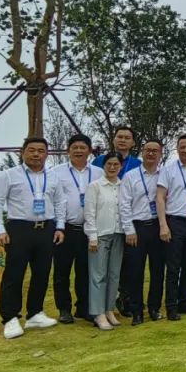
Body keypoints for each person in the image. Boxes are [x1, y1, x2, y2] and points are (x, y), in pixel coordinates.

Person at [0, 137, 65, 339]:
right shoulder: (8, 175)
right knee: (14, 274)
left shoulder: (53, 177)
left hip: (46, 228)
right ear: (22, 152)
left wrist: (60, 227)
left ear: (47, 154)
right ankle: (10, 318)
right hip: (19, 228)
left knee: (42, 272)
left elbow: (60, 203)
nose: (36, 154)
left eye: (41, 150)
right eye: (32, 150)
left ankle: (35, 313)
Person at [53, 133, 101, 324]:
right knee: (62, 271)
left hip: (89, 230)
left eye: (83, 148)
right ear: (68, 150)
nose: (79, 151)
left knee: (85, 271)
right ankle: (64, 309)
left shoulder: (98, 172)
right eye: (75, 148)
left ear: (89, 151)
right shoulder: (56, 172)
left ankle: (84, 307)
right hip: (65, 229)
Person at [119, 138, 165, 324]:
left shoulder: (165, 175)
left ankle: (154, 307)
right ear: (142, 152)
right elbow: (124, 204)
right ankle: (136, 310)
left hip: (158, 226)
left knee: (157, 270)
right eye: (148, 150)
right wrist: (129, 230)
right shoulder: (131, 176)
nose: (151, 153)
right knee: (135, 271)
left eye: (155, 151)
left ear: (160, 154)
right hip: (137, 228)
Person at [156, 134, 186, 320]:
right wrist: (163, 225)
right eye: (182, 147)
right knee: (173, 268)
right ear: (177, 148)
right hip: (175, 222)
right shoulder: (168, 170)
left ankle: (184, 302)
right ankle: (171, 306)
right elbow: (160, 197)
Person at [85, 152, 125, 332]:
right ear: (104, 166)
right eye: (109, 164)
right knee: (98, 275)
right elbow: (89, 213)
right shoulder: (95, 186)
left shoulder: (123, 186)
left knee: (114, 275)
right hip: (100, 236)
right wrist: (92, 236)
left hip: (118, 234)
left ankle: (109, 309)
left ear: (121, 166)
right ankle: (98, 312)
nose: (112, 167)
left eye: (116, 164)